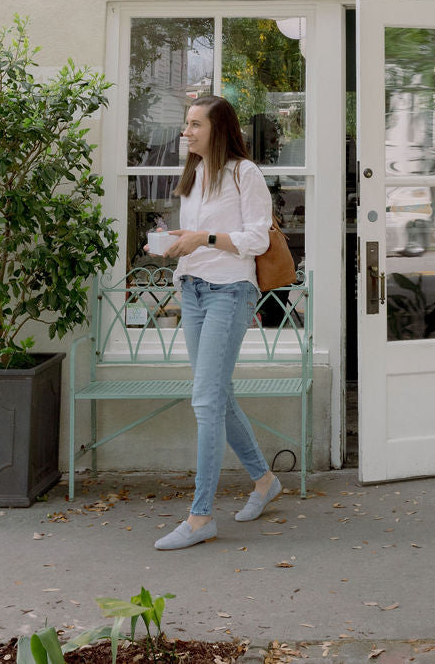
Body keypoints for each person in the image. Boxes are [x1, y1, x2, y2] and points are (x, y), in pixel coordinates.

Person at [154, 94, 281, 550]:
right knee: (217, 396)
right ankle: (264, 480)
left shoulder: (244, 174)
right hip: (193, 291)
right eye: (186, 125)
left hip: (231, 291)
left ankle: (200, 515)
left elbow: (257, 238)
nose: (185, 132)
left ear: (218, 129)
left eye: (194, 125)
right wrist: (177, 251)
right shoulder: (192, 175)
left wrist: (203, 238)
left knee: (206, 400)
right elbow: (194, 239)